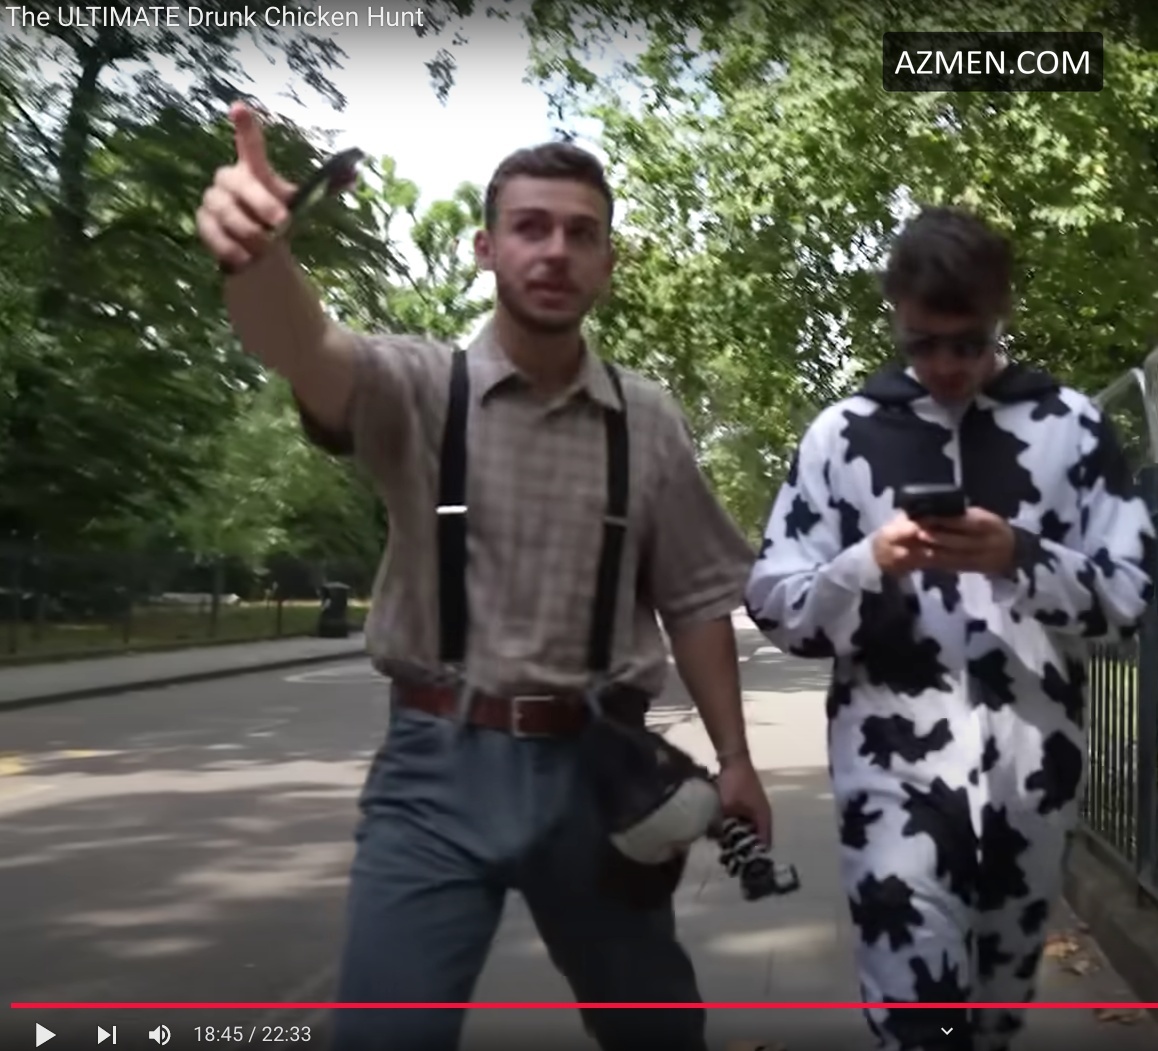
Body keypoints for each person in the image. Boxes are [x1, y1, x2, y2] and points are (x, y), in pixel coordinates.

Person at [195, 101, 771, 1051]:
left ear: (609, 263)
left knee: (660, 1033)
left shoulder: (649, 419)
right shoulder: (419, 387)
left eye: (581, 234)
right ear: (486, 249)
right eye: (530, 227)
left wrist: (736, 758)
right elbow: (301, 348)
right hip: (437, 769)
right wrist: (256, 259)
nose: (555, 251)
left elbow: (698, 595)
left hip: (600, 771)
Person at [744, 205, 1154, 1051]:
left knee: (991, 1021)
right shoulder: (841, 435)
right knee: (920, 1020)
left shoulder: (1070, 427)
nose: (944, 365)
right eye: (922, 343)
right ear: (896, 316)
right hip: (890, 776)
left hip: (1032, 781)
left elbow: (1130, 595)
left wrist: (1020, 554)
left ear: (1000, 314)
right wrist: (867, 562)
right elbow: (776, 601)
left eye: (968, 343)